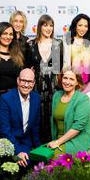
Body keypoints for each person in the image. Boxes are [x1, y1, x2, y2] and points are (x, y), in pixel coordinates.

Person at [0, 68, 41, 168]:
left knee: (36, 162)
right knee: (21, 164)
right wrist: (18, 151)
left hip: (25, 142)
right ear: (18, 81)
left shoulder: (36, 98)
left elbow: (35, 128)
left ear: (34, 83)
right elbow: (4, 131)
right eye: (23, 81)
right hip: (6, 142)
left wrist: (39, 149)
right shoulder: (5, 100)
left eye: (30, 82)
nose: (26, 85)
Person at [29, 15, 63, 143]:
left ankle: (53, 147)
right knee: (37, 115)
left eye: (51, 25)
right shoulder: (31, 44)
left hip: (53, 86)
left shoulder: (58, 43)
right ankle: (36, 147)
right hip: (36, 86)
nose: (48, 28)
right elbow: (28, 67)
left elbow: (60, 66)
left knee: (52, 116)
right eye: (45, 25)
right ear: (40, 26)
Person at [47, 67, 90, 156]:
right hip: (59, 140)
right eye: (65, 78)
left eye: (71, 79)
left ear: (77, 82)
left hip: (78, 141)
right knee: (41, 154)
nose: (67, 82)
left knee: (53, 157)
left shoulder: (83, 99)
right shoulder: (57, 96)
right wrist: (55, 141)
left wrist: (58, 142)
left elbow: (78, 126)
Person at [63, 13, 90, 92]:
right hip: (72, 83)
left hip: (88, 84)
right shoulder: (68, 39)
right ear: (75, 25)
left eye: (86, 26)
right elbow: (66, 62)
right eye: (80, 25)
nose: (83, 28)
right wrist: (68, 80)